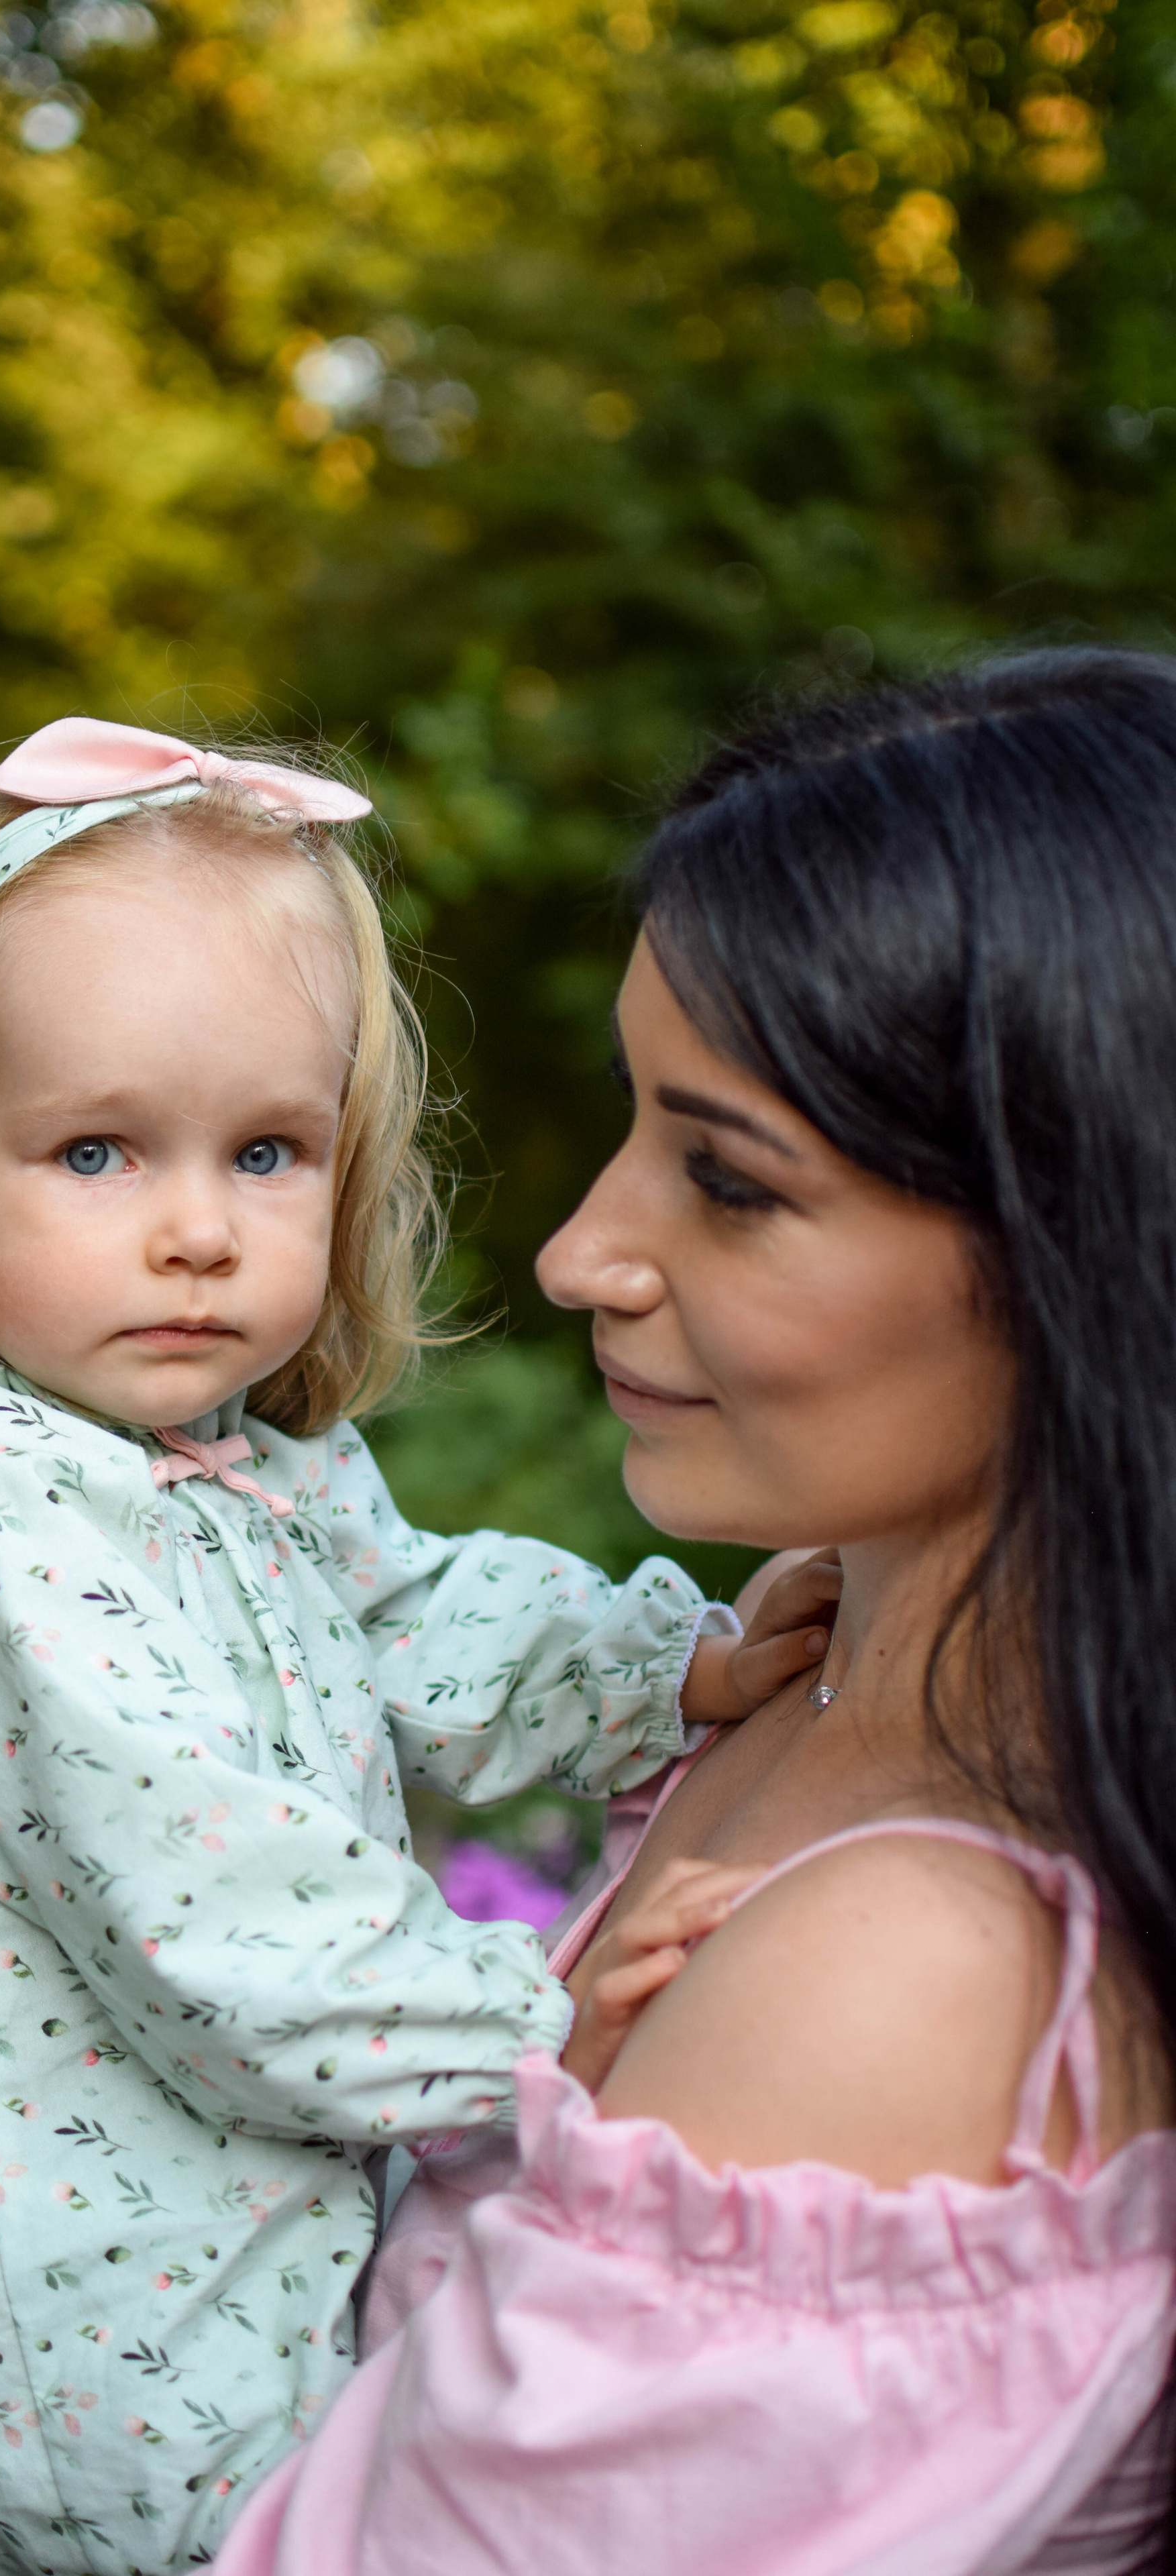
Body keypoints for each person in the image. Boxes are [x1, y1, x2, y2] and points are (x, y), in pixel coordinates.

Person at [0, 717, 828, 2574]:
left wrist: (672, 1667)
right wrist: (537, 2026)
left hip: (220, 2257)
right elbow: (210, 1909)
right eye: (95, 1151)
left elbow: (416, 1616)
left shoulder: (241, 1469)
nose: (192, 1233)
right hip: (65, 2363)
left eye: (263, 1152)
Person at [215, 648, 1176, 2576]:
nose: (582, 1250)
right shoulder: (811, 1653)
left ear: (1090, 1247)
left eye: (730, 1183)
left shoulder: (916, 1969)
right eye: (638, 1122)